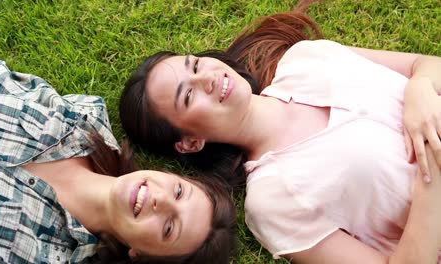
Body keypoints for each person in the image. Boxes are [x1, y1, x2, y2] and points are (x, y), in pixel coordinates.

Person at [119, 2, 441, 264]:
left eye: (194, 65)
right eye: (188, 96)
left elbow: (425, 65)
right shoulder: (271, 201)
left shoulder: (304, 59)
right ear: (191, 142)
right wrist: (433, 169)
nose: (206, 79)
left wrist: (419, 90)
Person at [0, 47, 236, 264]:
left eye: (169, 228)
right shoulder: (83, 120)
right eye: (179, 192)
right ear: (171, 174)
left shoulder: (47, 256)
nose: (161, 200)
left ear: (140, 255)